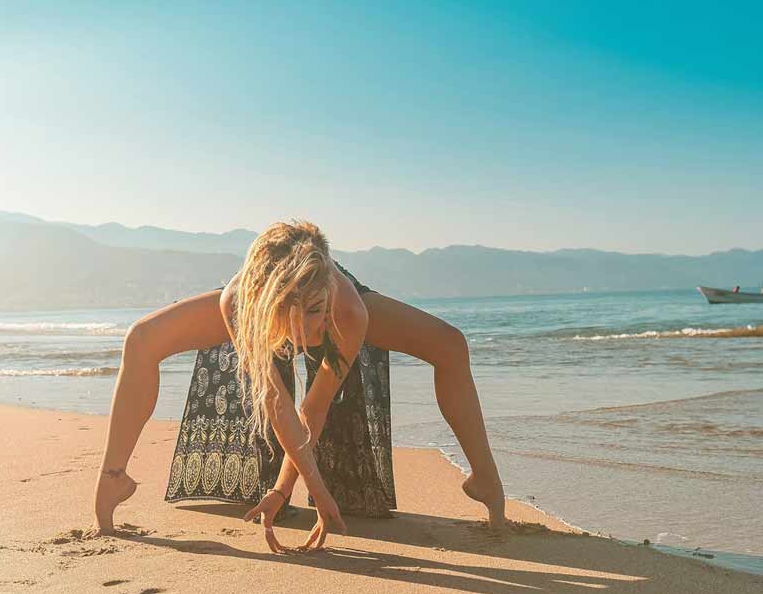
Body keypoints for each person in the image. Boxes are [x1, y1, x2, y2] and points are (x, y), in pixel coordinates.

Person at [91, 220, 508, 552]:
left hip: (335, 290)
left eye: (315, 312)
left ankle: (485, 478)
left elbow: (313, 407)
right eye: (297, 318)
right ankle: (112, 476)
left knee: (450, 344)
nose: (310, 329)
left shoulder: (346, 312)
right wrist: (306, 489)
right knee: (141, 338)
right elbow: (275, 399)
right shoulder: (239, 305)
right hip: (259, 289)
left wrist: (290, 488)